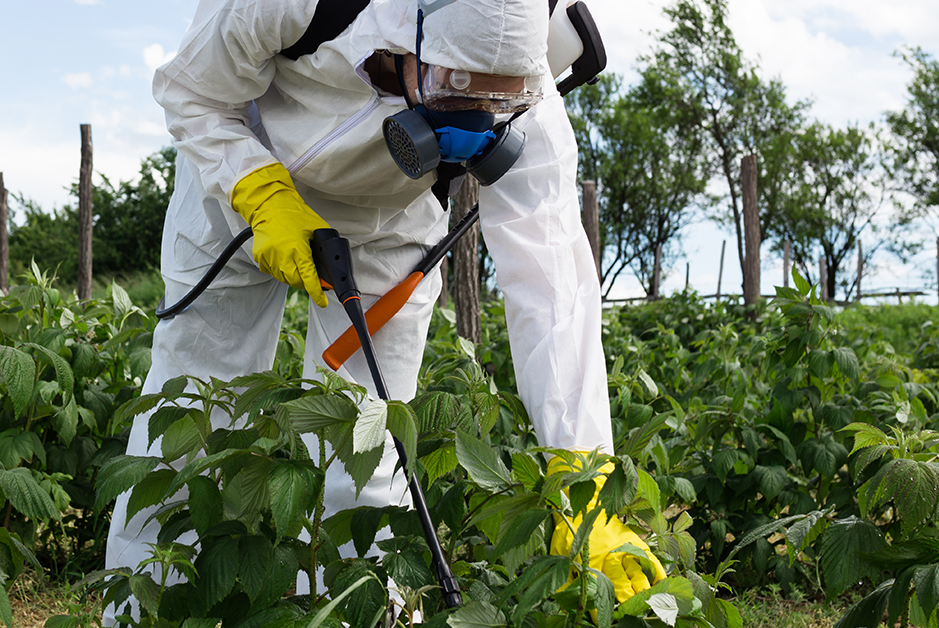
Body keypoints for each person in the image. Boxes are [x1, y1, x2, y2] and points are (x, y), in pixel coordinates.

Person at [104, 0, 664, 621]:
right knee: (192, 404)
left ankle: (352, 611)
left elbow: (553, 284)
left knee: (365, 445)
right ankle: (139, 608)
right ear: (414, 39)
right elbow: (192, 90)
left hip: (388, 225)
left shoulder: (536, 98)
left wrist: (582, 478)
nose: (477, 125)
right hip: (236, 180)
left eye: (496, 108)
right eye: (456, 105)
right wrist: (258, 191)